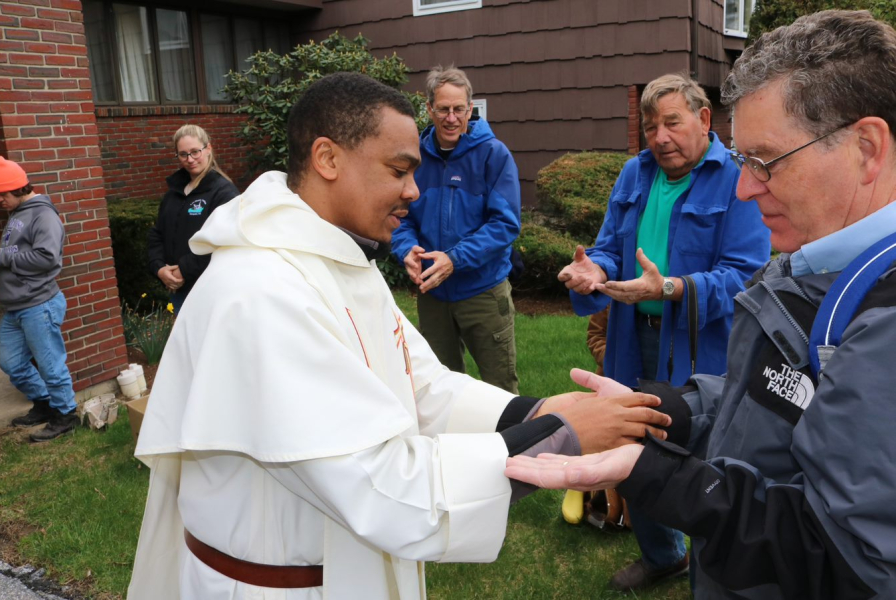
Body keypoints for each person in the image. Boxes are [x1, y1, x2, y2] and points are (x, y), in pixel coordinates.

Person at [126, 72, 673, 600]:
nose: (415, 190)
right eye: (398, 170)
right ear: (327, 158)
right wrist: (561, 434)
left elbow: (421, 384)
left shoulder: (337, 256)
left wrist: (537, 410)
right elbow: (383, 488)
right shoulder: (261, 291)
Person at [507, 10, 896, 599]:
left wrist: (674, 483)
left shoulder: (880, 319)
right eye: (743, 161)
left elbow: (846, 561)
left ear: (867, 148)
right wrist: (675, 410)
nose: (744, 187)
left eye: (765, 161)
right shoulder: (816, 257)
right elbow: (771, 398)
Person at [557, 73, 771, 591]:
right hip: (633, 338)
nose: (659, 137)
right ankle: (662, 556)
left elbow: (746, 274)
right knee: (632, 441)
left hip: (705, 345)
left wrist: (673, 287)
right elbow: (610, 246)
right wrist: (596, 271)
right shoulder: (634, 174)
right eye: (651, 126)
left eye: (672, 123)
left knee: (706, 458)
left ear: (703, 120)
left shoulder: (738, 180)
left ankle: (711, 570)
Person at [391, 66, 521, 394]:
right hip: (433, 296)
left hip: (483, 292)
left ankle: (513, 446)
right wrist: (405, 248)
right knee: (437, 389)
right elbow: (399, 216)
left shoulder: (494, 155)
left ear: (470, 109)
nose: (451, 118)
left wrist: (455, 259)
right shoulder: (414, 158)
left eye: (459, 109)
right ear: (429, 108)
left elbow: (505, 224)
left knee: (501, 389)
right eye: (443, 109)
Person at [0, 157, 78, 442]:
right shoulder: (18, 212)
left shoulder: (43, 215)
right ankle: (43, 403)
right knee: (11, 364)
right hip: (17, 307)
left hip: (39, 304)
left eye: (2, 194)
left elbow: (47, 257)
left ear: (20, 188)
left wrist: (1, 257)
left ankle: (66, 415)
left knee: (51, 365)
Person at [146, 124, 239, 312]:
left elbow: (222, 242)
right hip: (179, 290)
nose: (190, 159)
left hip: (210, 291)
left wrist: (183, 270)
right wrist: (159, 269)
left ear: (208, 149)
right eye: (183, 154)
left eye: (195, 152)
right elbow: (158, 233)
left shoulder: (224, 193)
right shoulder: (174, 192)